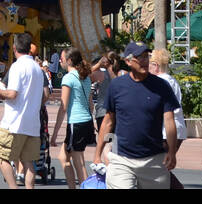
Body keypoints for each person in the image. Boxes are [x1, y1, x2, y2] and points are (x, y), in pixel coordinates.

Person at [95, 42, 180, 189]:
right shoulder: (116, 86)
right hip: (122, 160)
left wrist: (172, 152)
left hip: (154, 160)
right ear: (128, 61)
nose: (145, 61)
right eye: (139, 57)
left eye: (146, 56)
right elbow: (108, 122)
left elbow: (169, 120)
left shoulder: (162, 87)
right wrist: (98, 154)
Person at [0, 33, 46, 189]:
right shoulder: (37, 68)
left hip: (14, 122)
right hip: (32, 123)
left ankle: (13, 187)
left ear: (14, 48)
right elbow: (44, 95)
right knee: (28, 163)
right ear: (30, 48)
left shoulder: (17, 66)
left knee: (1, 156)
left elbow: (12, 94)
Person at [55, 49, 94, 189]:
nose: (60, 61)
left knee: (79, 162)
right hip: (86, 121)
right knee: (63, 157)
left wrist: (54, 134)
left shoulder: (68, 78)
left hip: (76, 123)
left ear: (69, 60)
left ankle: (85, 187)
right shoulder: (85, 77)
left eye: (62, 58)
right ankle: (73, 187)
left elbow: (63, 106)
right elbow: (91, 105)